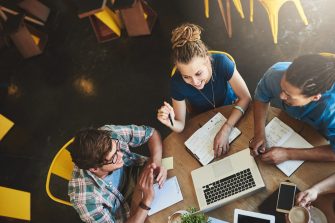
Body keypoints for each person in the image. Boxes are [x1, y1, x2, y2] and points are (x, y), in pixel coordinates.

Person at [157, 23, 251, 157]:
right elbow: (180, 125)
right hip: (203, 120)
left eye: (198, 73)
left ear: (207, 60)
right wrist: (170, 122)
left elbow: (246, 98)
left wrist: (226, 128)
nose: (195, 82)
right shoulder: (177, 84)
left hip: (232, 109)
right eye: (186, 77)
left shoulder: (222, 63)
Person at [68, 124, 167, 223]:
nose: (121, 155)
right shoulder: (86, 201)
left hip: (139, 173)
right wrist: (147, 201)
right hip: (126, 213)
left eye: (117, 148)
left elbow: (151, 133)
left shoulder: (108, 133)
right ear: (94, 169)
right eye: (113, 158)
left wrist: (156, 162)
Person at [250, 54, 335, 164]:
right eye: (282, 87)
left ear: (315, 97)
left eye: (288, 95)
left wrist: (288, 154)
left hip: (320, 136)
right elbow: (261, 96)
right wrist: (259, 133)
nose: (281, 96)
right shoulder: (276, 73)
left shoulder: (331, 112)